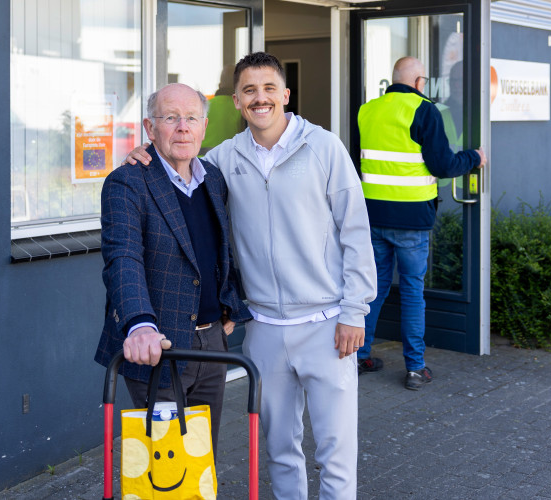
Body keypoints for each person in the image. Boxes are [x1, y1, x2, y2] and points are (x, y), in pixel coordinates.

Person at [125, 52, 377, 500]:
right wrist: (143, 154)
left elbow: (356, 231)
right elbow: (177, 166)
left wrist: (355, 311)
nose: (260, 98)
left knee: (336, 453)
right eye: (249, 91)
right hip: (264, 329)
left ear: (285, 94)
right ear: (237, 101)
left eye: (268, 88)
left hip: (327, 325)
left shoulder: (324, 148)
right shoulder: (222, 160)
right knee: (279, 451)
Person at [93, 83, 251, 453]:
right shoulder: (127, 183)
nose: (182, 127)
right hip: (159, 347)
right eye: (171, 118)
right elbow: (123, 258)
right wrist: (140, 325)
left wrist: (229, 301)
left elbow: (218, 247)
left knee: (201, 459)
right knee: (167, 466)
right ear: (150, 128)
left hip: (213, 344)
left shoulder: (213, 178)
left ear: (204, 127)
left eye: (191, 118)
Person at [355, 56, 487, 390]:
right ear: (418, 82)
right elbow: (443, 166)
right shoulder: (424, 110)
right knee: (413, 291)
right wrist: (474, 157)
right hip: (412, 218)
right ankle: (415, 368)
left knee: (374, 288)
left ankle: (359, 356)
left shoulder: (367, 111)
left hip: (374, 215)